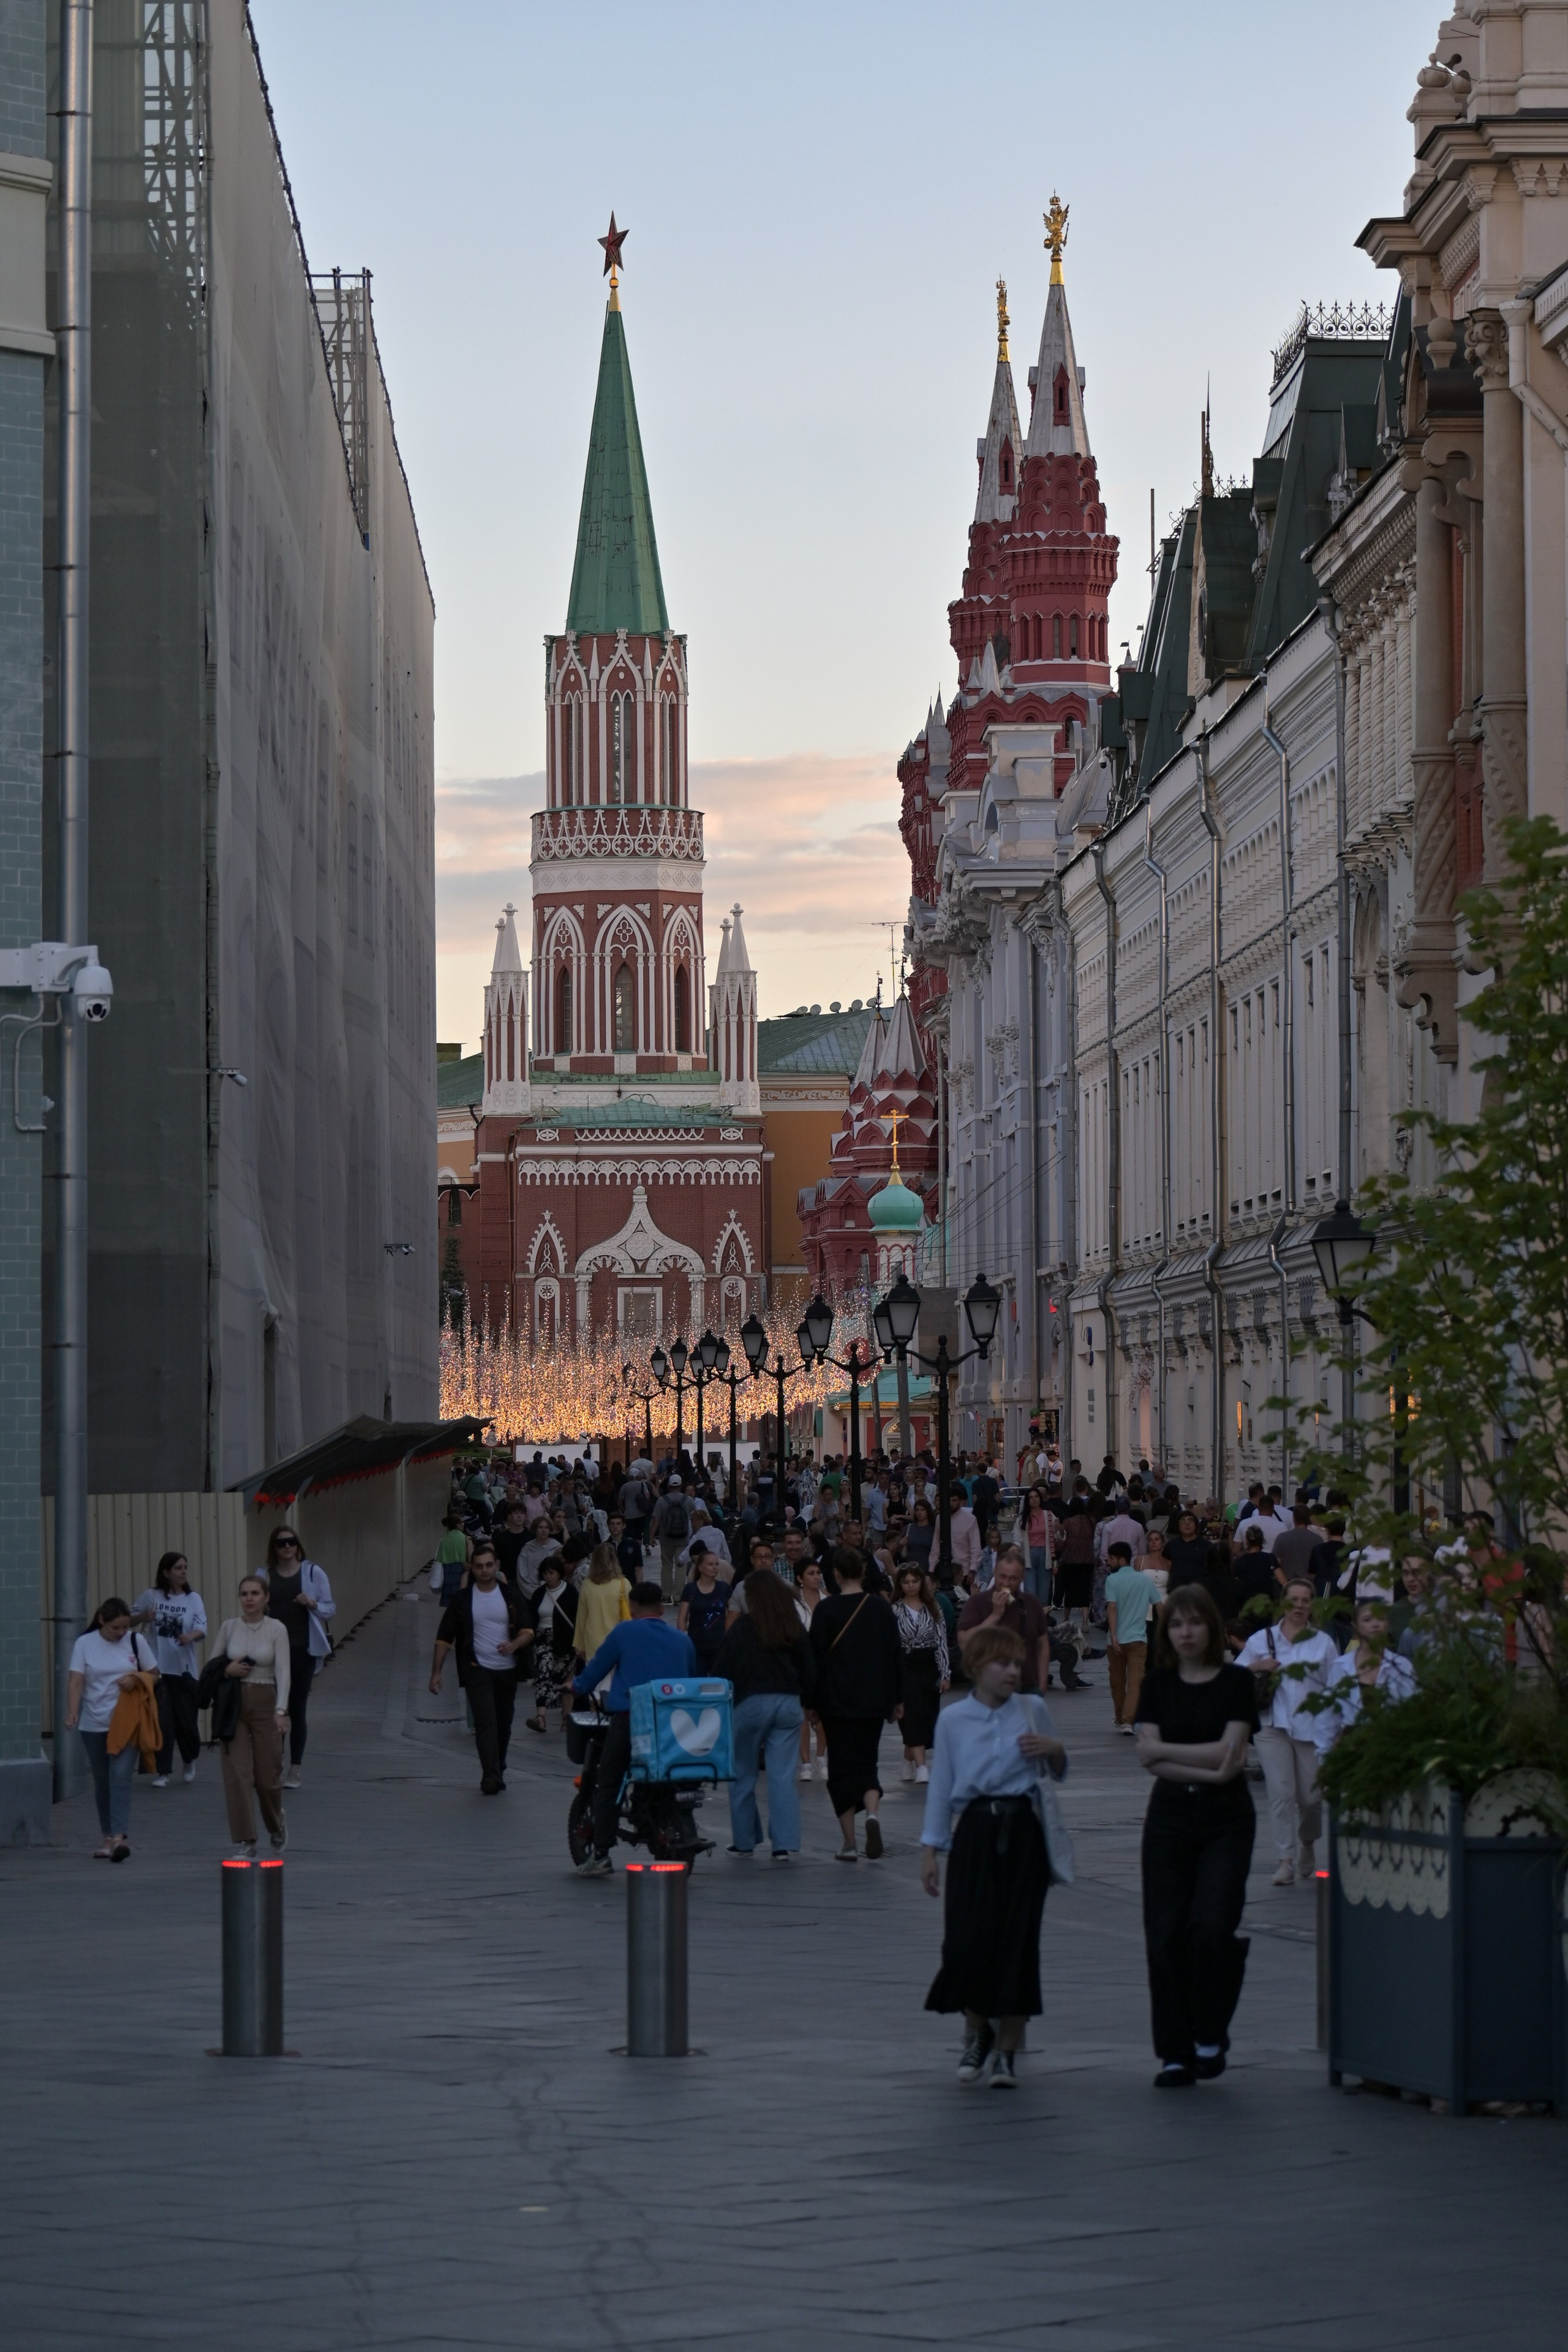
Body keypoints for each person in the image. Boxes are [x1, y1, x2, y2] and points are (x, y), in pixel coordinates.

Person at [920, 1624, 1066, 2088]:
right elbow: (942, 1785)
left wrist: (1055, 1749)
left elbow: (1058, 1772)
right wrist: (931, 1850)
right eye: (1003, 1663)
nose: (1012, 1672)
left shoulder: (1032, 1709)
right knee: (966, 1940)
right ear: (978, 1666)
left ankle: (1006, 2051)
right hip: (976, 1833)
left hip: (1023, 1832)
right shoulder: (953, 1720)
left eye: (1017, 1663)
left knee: (1018, 1941)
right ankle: (978, 2030)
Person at [1133, 1585, 1261, 2086]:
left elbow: (1231, 1751)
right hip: (1169, 1815)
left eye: (1195, 1623)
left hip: (1226, 1818)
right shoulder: (1157, 1684)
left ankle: (1210, 2031)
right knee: (1164, 1934)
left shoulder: (1236, 1682)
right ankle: (1176, 2051)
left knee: (1212, 1927)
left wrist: (1167, 1752)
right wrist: (1208, 1765)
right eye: (1176, 1624)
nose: (1185, 1633)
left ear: (1212, 1627)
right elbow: (1150, 1758)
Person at [571, 1582, 696, 1875]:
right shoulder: (682, 1641)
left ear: (633, 1608)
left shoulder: (624, 1632)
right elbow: (690, 1679)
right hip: (672, 1725)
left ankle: (601, 1855)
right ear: (662, 1608)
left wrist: (576, 1686)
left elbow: (596, 1670)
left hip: (631, 1721)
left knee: (609, 1783)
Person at [1235, 1575, 1338, 1885]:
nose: (1299, 1606)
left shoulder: (1323, 1643)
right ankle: (1285, 1861)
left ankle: (1307, 1843)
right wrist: (1257, 1666)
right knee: (1280, 1793)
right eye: (1294, 1600)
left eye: (1305, 1601)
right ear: (1283, 1603)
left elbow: (1335, 1687)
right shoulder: (1263, 1640)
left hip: (1311, 1728)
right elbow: (1233, 1675)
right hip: (1272, 1724)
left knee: (1311, 1798)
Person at [809, 1545, 902, 1861]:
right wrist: (897, 1698)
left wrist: (812, 1703)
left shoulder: (826, 1610)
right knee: (867, 1762)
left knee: (841, 1769)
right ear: (863, 1572)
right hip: (873, 1700)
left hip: (836, 1701)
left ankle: (849, 1843)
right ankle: (872, 1814)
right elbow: (895, 1656)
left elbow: (816, 1661)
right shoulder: (880, 1608)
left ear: (835, 1574)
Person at [716, 1567, 816, 1858]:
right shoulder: (792, 1625)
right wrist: (809, 1702)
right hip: (788, 1703)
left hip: (750, 1703)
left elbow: (722, 1670)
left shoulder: (742, 1628)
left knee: (743, 1772)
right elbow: (809, 1668)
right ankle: (784, 1844)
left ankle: (745, 1840)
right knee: (782, 1776)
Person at [429, 1539, 530, 1793]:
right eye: (479, 1566)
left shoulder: (510, 1595)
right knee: (485, 1721)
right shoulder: (463, 1600)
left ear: (496, 1566)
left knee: (503, 1724)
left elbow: (528, 1630)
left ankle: (499, 1764)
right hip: (477, 1668)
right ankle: (490, 1776)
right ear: (472, 1568)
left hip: (507, 1670)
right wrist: (436, 1672)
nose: (484, 1570)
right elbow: (444, 1637)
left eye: (488, 1565)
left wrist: (514, 1645)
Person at [66, 1597, 159, 1861]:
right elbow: (76, 1680)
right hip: (94, 1724)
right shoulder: (85, 1643)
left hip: (128, 1722)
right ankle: (107, 1836)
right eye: (115, 1628)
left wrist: (136, 1678)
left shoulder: (135, 1641)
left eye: (125, 1627)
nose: (121, 1633)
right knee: (103, 1781)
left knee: (120, 1777)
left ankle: (119, 1837)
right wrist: (72, 1710)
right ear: (102, 1621)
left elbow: (155, 1674)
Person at [207, 1575, 292, 1858]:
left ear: (266, 1597)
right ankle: (247, 1840)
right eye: (244, 1594)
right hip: (234, 1705)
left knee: (268, 1778)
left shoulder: (276, 1629)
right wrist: (227, 1670)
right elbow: (212, 1666)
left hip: (266, 1701)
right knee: (238, 1775)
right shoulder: (230, 1627)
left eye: (255, 1593)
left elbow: (283, 1671)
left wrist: (281, 1710)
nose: (249, 1599)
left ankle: (276, 1823)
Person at [262, 1527, 335, 1790]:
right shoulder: (265, 1576)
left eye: (291, 1542)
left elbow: (330, 1609)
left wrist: (312, 1603)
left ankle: (295, 1770)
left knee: (297, 1708)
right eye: (281, 1543)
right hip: (273, 1652)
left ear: (298, 1545)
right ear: (274, 1547)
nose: (287, 1547)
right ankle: (276, 1765)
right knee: (275, 1709)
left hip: (303, 1649)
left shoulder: (313, 1573)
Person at [132, 1551, 206, 1786]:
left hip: (184, 1670)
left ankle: (189, 1759)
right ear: (166, 1572)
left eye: (185, 1568)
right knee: (161, 1721)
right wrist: (144, 1616)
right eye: (178, 1568)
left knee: (186, 1723)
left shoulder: (193, 1599)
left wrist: (189, 1636)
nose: (183, 1572)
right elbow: (129, 1619)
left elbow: (202, 1628)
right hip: (157, 1671)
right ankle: (163, 1772)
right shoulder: (151, 1596)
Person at [1312, 1595, 1417, 1756]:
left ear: (1387, 1624)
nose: (1375, 1624)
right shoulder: (1341, 1666)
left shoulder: (1401, 1666)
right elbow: (1328, 1717)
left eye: (1380, 1618)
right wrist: (1325, 1757)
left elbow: (1412, 1712)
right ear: (1356, 1626)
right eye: (1367, 1620)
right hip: (1351, 1750)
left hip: (1393, 1752)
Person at [957, 1550, 1061, 1694]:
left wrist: (1042, 1686)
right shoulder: (977, 1602)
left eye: (1013, 1579)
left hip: (1027, 1686)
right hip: (988, 1689)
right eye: (1002, 1577)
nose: (1006, 1583)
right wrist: (995, 1616)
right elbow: (965, 1643)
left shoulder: (1032, 1603)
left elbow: (1042, 1645)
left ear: (1022, 1578)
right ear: (995, 1573)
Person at [892, 1565, 950, 1782]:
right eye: (906, 1582)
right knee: (912, 1713)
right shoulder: (894, 1610)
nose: (910, 1586)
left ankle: (907, 1760)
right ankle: (922, 1767)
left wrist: (945, 1673)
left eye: (914, 1582)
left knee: (926, 1716)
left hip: (928, 1664)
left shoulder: (933, 1607)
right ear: (900, 1585)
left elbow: (941, 1641)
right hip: (905, 1664)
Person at [1104, 1541, 1163, 1734]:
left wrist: (1114, 1634)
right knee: (1136, 1682)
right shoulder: (1145, 1580)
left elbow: (1112, 1607)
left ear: (1121, 1560)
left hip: (1115, 1640)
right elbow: (1159, 1606)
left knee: (1117, 1682)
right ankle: (1129, 1721)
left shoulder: (1112, 1580)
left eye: (1111, 1558)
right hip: (1138, 1639)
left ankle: (1121, 1717)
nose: (1108, 1562)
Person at [521, 1552, 578, 1733]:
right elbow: (532, 1617)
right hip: (543, 1639)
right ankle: (541, 1717)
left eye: (551, 1573)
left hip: (566, 1641)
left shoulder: (570, 1592)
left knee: (566, 1679)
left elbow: (577, 1618)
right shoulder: (539, 1593)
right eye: (545, 1573)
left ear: (559, 1573)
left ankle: (566, 1719)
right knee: (544, 1675)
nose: (548, 1577)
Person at [792, 1556, 831, 1782]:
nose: (817, 1577)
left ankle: (821, 1757)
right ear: (800, 1578)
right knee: (802, 1715)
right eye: (811, 1574)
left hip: (823, 1664)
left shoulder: (827, 1600)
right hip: (800, 1664)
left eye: (818, 1573)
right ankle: (806, 1763)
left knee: (824, 1714)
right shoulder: (793, 1603)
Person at [573, 1540, 632, 1676]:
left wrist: (579, 1645)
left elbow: (581, 1618)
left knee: (597, 1683)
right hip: (617, 1642)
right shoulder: (624, 1584)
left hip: (593, 1643)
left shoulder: (587, 1585)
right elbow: (633, 1615)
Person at [676, 1549, 733, 1675]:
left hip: (719, 1646)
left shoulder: (724, 1588)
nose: (715, 1567)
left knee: (719, 1682)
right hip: (697, 1645)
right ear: (701, 1567)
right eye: (710, 1564)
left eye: (716, 1564)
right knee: (698, 1682)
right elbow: (682, 1617)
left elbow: (734, 1613)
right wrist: (681, 1640)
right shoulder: (690, 1589)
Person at [650, 1479, 693, 1600]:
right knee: (681, 1566)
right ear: (681, 1485)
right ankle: (678, 1596)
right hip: (683, 1539)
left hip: (666, 1539)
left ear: (669, 1486)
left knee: (667, 1566)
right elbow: (695, 1516)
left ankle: (666, 1594)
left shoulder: (662, 1500)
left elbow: (656, 1520)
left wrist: (651, 1537)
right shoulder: (688, 1500)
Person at [1023, 1485, 1055, 1604]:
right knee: (1030, 1591)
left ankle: (1042, 1614)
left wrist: (1060, 1529)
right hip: (1029, 1554)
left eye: (1036, 1497)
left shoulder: (1048, 1515)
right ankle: (1032, 1614)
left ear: (1040, 1499)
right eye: (1031, 1497)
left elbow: (1059, 1535)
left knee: (1043, 1593)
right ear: (1028, 1501)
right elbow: (1017, 1537)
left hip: (1045, 1553)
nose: (1034, 1499)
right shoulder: (1023, 1518)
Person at [434, 1509, 473, 1605]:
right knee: (460, 1597)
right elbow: (471, 1557)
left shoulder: (444, 1540)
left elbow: (439, 1558)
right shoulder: (465, 1539)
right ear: (458, 1525)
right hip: (461, 1570)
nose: (464, 1524)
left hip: (446, 1571)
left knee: (449, 1599)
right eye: (462, 1522)